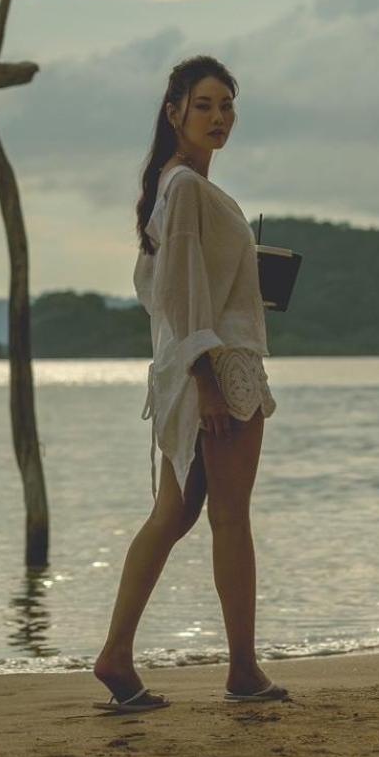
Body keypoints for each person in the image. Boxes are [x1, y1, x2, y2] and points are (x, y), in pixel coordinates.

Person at [93, 55, 289, 710]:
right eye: (203, 105)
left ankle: (118, 655)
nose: (218, 118)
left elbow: (169, 286)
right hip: (217, 370)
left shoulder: (179, 188)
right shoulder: (184, 189)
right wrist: (208, 382)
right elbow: (176, 296)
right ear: (174, 111)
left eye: (227, 106)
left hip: (194, 366)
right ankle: (241, 670)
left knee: (173, 516)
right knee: (229, 519)